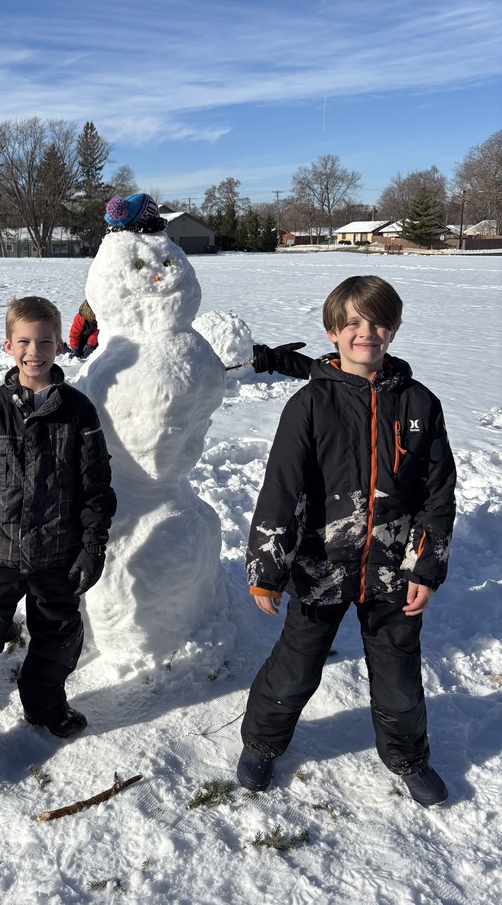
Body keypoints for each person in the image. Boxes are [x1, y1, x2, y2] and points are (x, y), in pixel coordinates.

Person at [236, 275, 456, 807]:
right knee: (295, 667)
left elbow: (437, 494)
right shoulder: (309, 406)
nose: (367, 332)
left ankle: (407, 756)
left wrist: (424, 567)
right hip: (322, 566)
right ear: (333, 332)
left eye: (378, 321)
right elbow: (281, 491)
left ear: (394, 329)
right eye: (353, 322)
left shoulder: (420, 405)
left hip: (393, 571)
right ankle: (263, 743)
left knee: (399, 676)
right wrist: (267, 567)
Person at [0, 295, 117, 782]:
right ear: (9, 345)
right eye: (25, 342)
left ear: (59, 344)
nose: (35, 351)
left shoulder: (78, 411)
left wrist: (93, 544)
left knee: (57, 639)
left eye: (46, 341)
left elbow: (96, 485)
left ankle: (44, 704)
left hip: (57, 552)